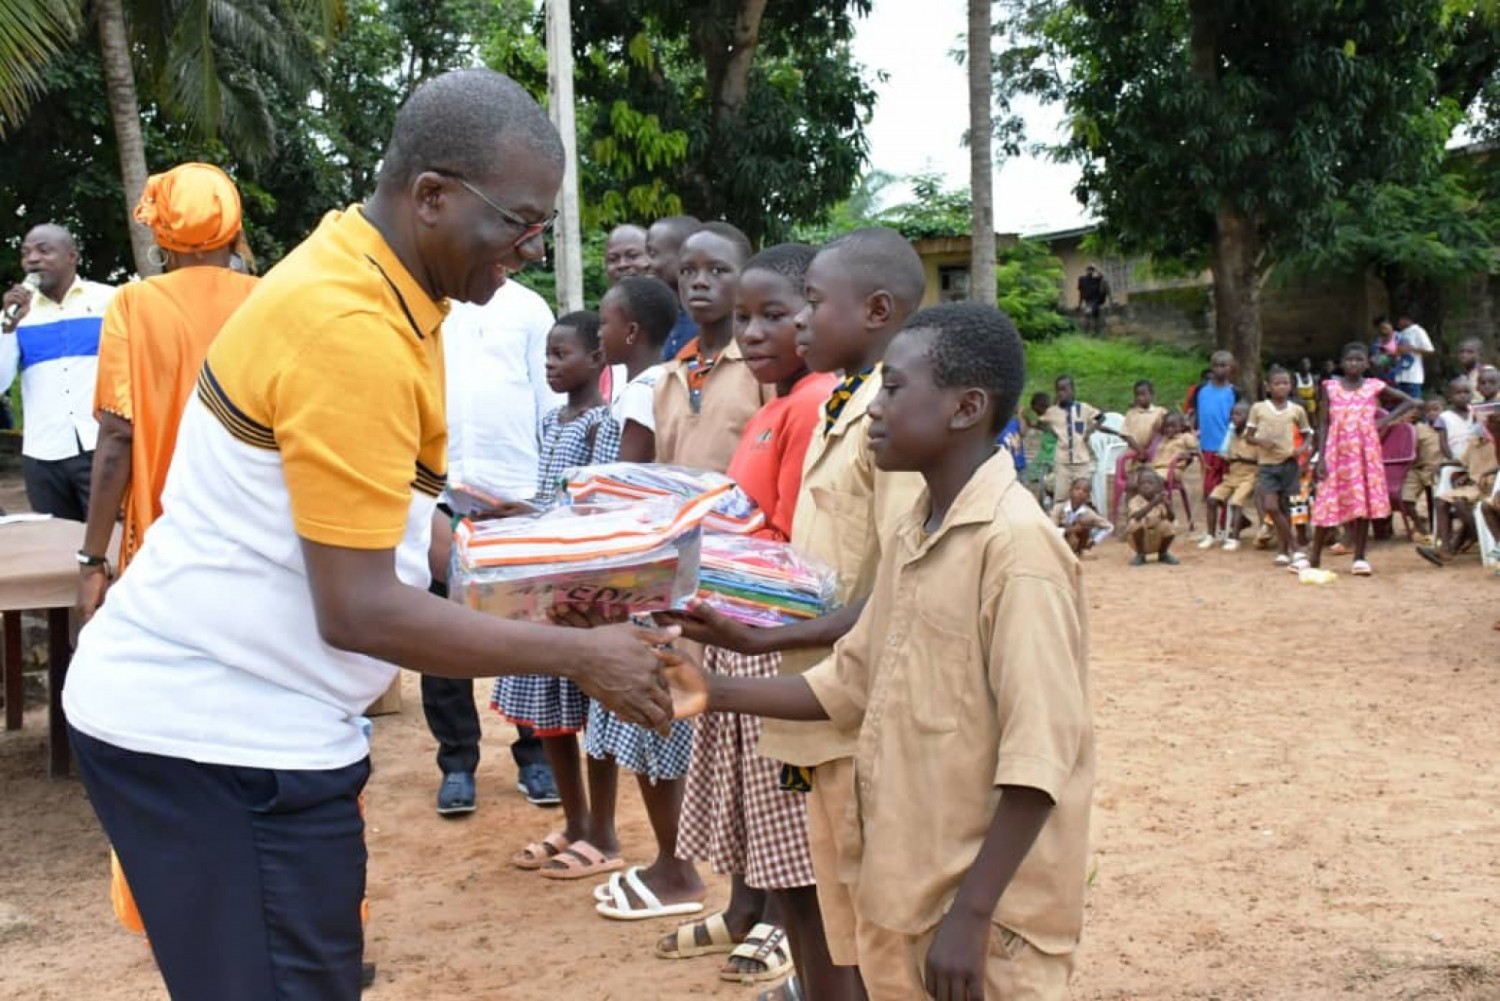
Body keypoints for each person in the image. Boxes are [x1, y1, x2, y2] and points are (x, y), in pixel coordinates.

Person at [60, 69, 677, 1001]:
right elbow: (357, 608)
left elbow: (396, 525)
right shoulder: (349, 325)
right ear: (431, 195)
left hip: (244, 719)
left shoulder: (382, 283)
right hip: (221, 740)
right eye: (517, 220)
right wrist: (582, 652)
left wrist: (559, 571)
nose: (530, 247)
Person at [663, 301, 1093, 1001]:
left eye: (894, 389)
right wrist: (711, 687)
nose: (874, 410)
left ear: (966, 407)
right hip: (906, 895)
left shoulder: (1016, 549)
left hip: (986, 920)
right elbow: (846, 684)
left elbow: (1040, 757)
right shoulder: (914, 535)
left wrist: (973, 914)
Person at [662, 226, 927, 1001]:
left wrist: (769, 635)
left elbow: (892, 588)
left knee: (853, 910)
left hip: (852, 704)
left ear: (876, 311)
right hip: (807, 691)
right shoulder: (841, 403)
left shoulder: (893, 420)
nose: (797, 324)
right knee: (819, 903)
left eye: (811, 304)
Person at [671, 243, 836, 987]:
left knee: (794, 831)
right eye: (746, 318)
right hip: (740, 625)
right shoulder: (773, 406)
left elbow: (799, 541)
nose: (755, 333)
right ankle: (782, 943)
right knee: (760, 819)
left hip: (773, 636)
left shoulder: (813, 405)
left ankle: (809, 964)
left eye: (775, 314)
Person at [592, 221, 766, 923]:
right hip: (676, 580)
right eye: (689, 269)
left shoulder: (761, 375)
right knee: (681, 722)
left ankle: (762, 902)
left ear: (744, 281)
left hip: (742, 583)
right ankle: (702, 879)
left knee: (748, 744)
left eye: (717, 270)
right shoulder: (672, 374)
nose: (700, 281)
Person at [77, 162, 258, 620]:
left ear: (162, 233)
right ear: (234, 228)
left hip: (165, 545)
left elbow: (118, 437)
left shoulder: (134, 305)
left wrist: (92, 562)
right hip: (257, 541)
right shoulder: (270, 299)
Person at [431, 273, 565, 815]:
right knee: (440, 632)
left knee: (526, 629)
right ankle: (457, 762)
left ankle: (535, 755)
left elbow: (546, 398)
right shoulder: (429, 303)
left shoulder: (529, 308)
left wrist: (542, 495)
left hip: (517, 492)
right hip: (439, 489)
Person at [581, 275, 699, 888]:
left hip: (639, 579)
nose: (597, 332)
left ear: (629, 332)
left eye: (603, 322)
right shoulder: (657, 383)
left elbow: (625, 489)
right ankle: (669, 861)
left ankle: (674, 866)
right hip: (653, 573)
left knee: (653, 720)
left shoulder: (641, 392)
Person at [494, 311, 617, 874]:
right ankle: (573, 822)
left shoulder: (603, 426)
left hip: (581, 588)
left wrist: (530, 513)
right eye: (546, 355)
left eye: (561, 355)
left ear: (596, 359)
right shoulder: (551, 421)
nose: (550, 364)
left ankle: (604, 832)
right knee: (549, 710)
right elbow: (550, 494)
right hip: (543, 580)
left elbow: (597, 507)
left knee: (592, 710)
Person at [0, 223, 115, 520]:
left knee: (113, 542)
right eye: (26, 253)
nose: (32, 259)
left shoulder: (110, 301)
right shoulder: (14, 317)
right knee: (58, 549)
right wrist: (7, 329)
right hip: (43, 454)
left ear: (71, 256)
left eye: (44, 250)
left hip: (101, 446)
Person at [1295, 341, 1416, 576]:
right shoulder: (1329, 387)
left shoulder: (1373, 386)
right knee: (1326, 500)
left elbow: (1409, 401)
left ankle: (1360, 557)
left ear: (1367, 363)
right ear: (1341, 363)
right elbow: (1323, 422)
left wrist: (1383, 421)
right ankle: (1315, 557)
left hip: (1364, 453)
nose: (1354, 364)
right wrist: (1319, 458)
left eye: (1359, 360)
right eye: (1349, 359)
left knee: (1362, 503)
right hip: (1335, 452)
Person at [1244, 366, 1315, 565]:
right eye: (1277, 383)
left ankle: (1283, 551)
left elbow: (1308, 433)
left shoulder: (1297, 409)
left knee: (1285, 507)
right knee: (1271, 506)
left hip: (1289, 463)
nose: (1281, 387)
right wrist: (1260, 441)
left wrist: (1303, 450)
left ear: (1291, 386)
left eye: (1285, 383)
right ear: (1268, 387)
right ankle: (1295, 545)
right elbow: (1248, 436)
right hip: (1267, 465)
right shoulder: (1258, 408)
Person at [1417, 407, 1499, 567]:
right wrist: (1443, 464)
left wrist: (1488, 472)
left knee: (1460, 503)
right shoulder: (1474, 444)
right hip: (1473, 485)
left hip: (1490, 485)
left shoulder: (1496, 443)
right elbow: (1463, 462)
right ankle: (1443, 547)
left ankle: (1472, 536)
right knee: (1441, 501)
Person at [1187, 350, 1239, 533]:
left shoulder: (1234, 392)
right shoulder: (1201, 390)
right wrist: (1192, 433)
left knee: (1227, 488)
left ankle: (1227, 526)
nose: (1220, 369)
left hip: (1227, 449)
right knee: (1210, 489)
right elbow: (1193, 414)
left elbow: (1239, 418)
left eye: (1224, 365)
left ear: (1231, 369)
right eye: (1216, 365)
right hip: (1206, 448)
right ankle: (1212, 529)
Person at [1199, 401, 1257, 552]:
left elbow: (1260, 459)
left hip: (1250, 475)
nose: (1234, 417)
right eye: (1233, 414)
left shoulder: (1254, 434)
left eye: (1238, 414)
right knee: (1212, 500)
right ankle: (1210, 535)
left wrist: (1239, 458)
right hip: (1232, 475)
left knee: (1236, 502)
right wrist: (1225, 457)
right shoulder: (1232, 433)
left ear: (1249, 417)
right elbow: (1230, 454)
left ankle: (1234, 538)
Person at [648, 214, 703, 359]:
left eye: (652, 254)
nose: (646, 263)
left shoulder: (705, 323)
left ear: (684, 257)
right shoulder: (656, 318)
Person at [1040, 375, 1100, 505]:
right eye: (1058, 390)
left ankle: (1084, 520)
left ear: (1072, 390)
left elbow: (1101, 417)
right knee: (1061, 496)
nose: (1061, 393)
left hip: (1081, 460)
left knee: (1083, 495)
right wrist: (1052, 431)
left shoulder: (1084, 408)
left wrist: (1090, 430)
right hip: (1062, 462)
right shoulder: (1052, 411)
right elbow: (1040, 422)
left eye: (1064, 390)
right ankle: (1059, 521)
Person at [1397, 399, 1445, 545]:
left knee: (1438, 499)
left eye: (1436, 409)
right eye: (1429, 410)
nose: (1432, 413)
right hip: (1417, 469)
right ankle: (1420, 527)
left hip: (1437, 469)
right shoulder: (1417, 428)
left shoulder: (1446, 428)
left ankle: (1440, 531)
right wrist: (1404, 422)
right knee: (1405, 498)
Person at [1128, 468, 1179, 566]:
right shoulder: (1135, 501)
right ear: (1138, 487)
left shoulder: (1161, 500)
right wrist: (1153, 503)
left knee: (1170, 524)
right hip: (1142, 541)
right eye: (1142, 483)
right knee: (1134, 523)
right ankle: (1140, 555)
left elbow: (1172, 518)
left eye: (1150, 483)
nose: (1146, 486)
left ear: (1158, 486)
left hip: (1157, 539)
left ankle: (1163, 553)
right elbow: (1137, 516)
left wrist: (1167, 505)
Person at [1053, 476, 1112, 556]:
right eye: (1077, 489)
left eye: (1085, 491)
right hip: (1056, 543)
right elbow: (1050, 529)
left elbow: (1109, 527)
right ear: (1070, 491)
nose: (1080, 492)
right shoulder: (1058, 508)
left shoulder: (1089, 513)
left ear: (1088, 497)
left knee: (1084, 527)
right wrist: (1071, 530)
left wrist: (1093, 541)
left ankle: (1080, 550)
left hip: (1075, 546)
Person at [1392, 312, 1435, 398]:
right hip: (1400, 375)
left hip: (1413, 375)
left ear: (1407, 320)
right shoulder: (1400, 334)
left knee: (1414, 403)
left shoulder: (1417, 331)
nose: (1398, 322)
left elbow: (1430, 350)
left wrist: (1411, 349)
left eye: (1400, 320)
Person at [1026, 390, 1056, 504]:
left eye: (1035, 409)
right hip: (1046, 454)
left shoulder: (1050, 418)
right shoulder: (1044, 418)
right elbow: (1038, 426)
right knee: (1044, 480)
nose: (1034, 411)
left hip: (1051, 454)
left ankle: (1047, 499)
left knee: (1047, 481)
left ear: (1040, 406)